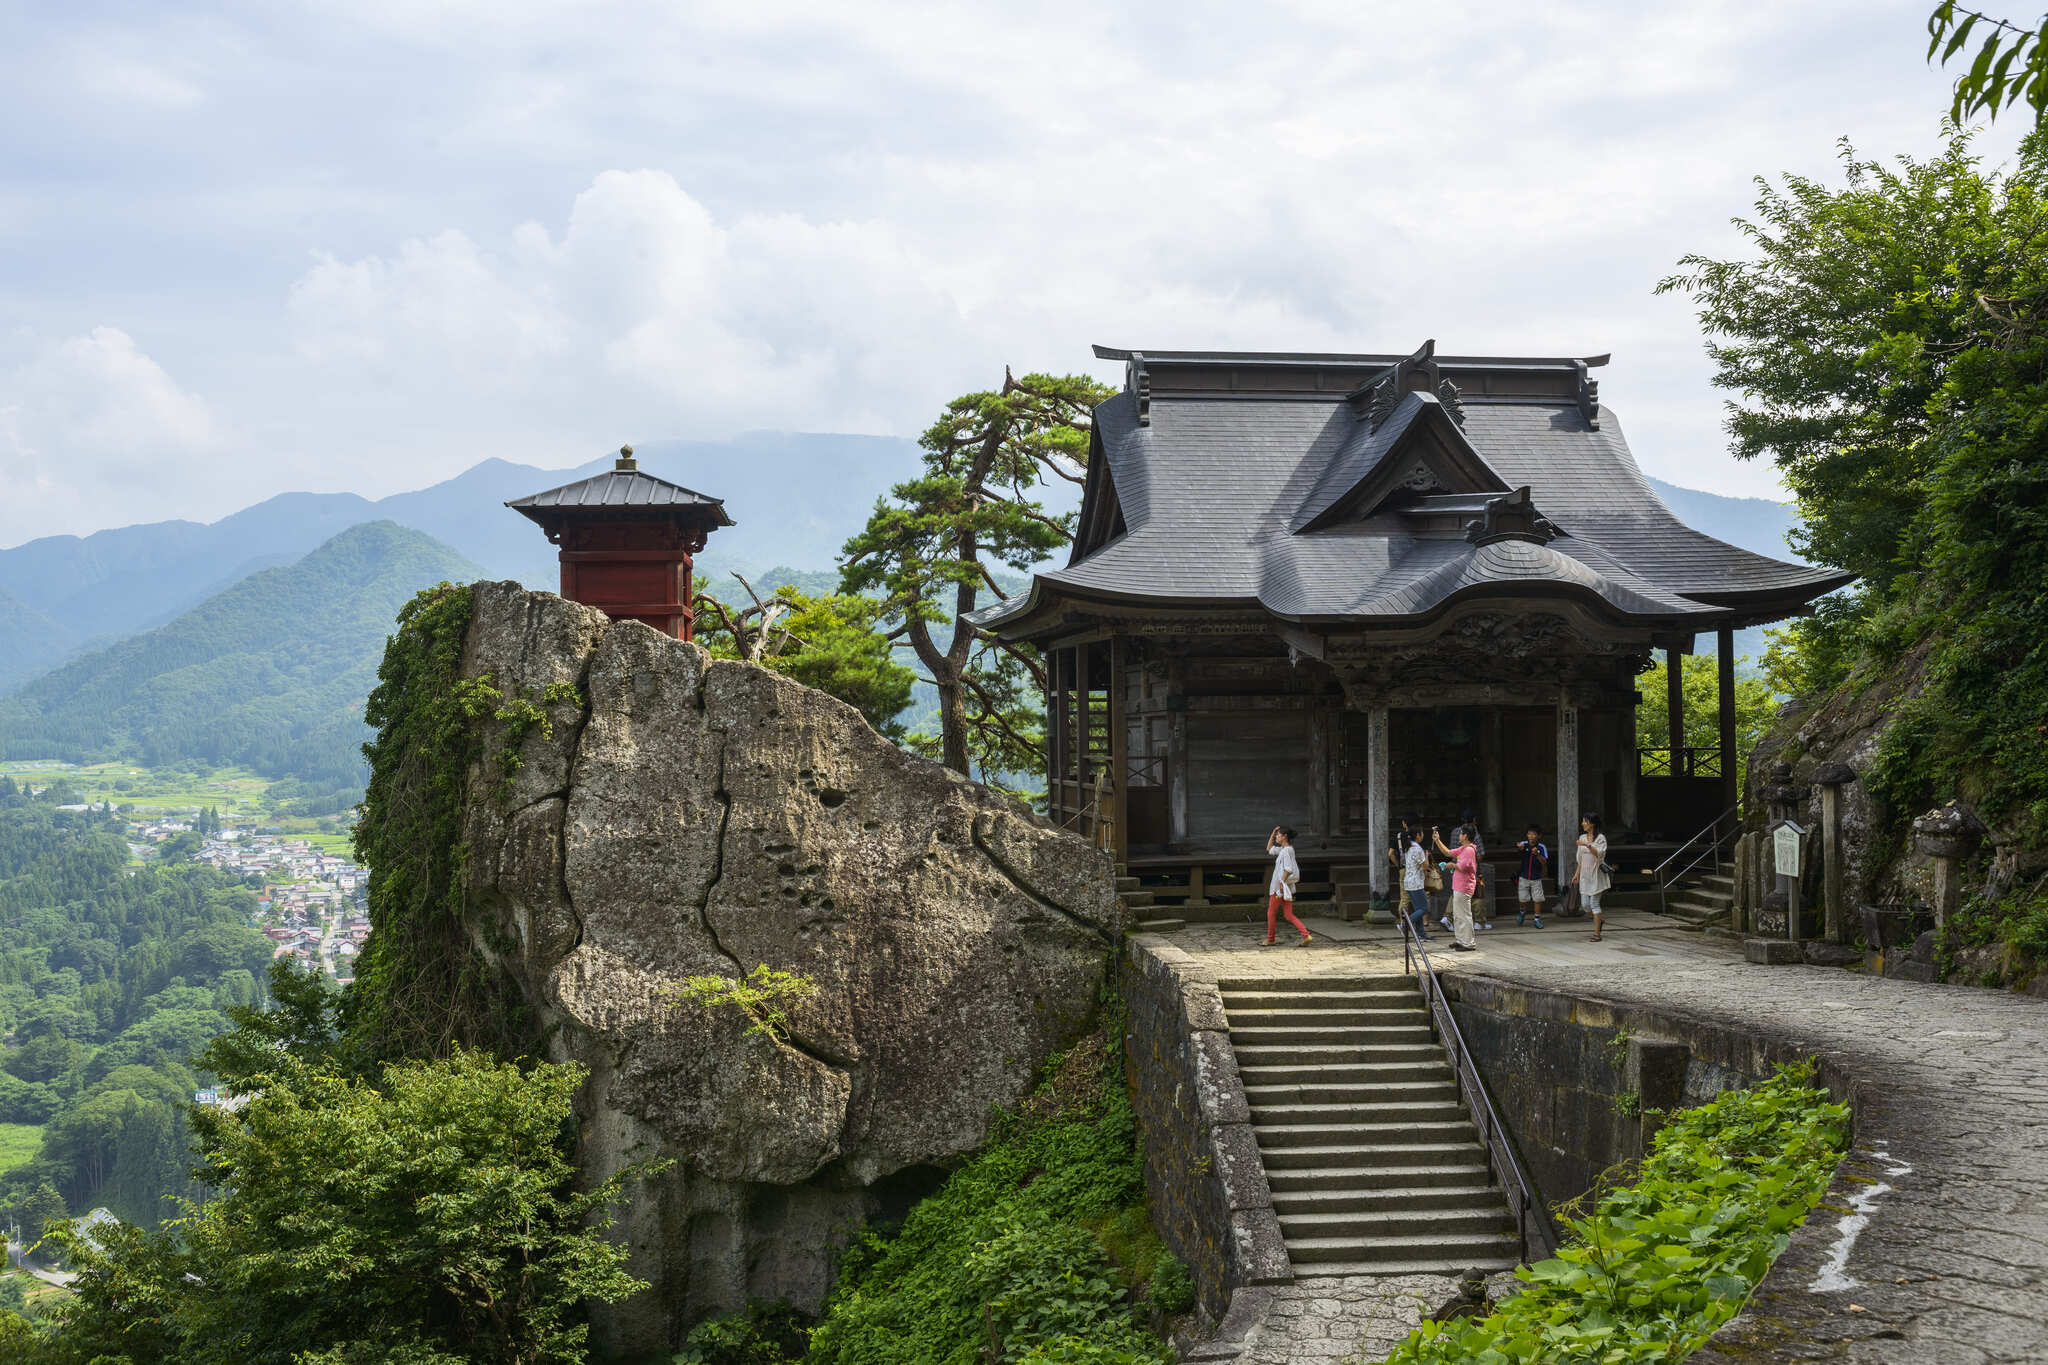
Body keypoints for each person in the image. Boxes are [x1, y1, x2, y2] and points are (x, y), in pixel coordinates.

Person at [1430, 823, 1480, 951]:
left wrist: (1450, 865)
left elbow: (1461, 866)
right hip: (1459, 886)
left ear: (1466, 836)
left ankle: (1468, 943)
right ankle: (1461, 940)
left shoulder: (1469, 850)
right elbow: (1447, 853)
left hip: (1464, 886)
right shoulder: (1464, 848)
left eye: (1461, 833)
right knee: (1458, 915)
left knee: (1464, 915)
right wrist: (1437, 840)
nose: (1460, 835)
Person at [1264, 825, 1311, 947]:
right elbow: (1269, 849)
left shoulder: (1286, 851)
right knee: (1288, 914)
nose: (1277, 837)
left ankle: (1270, 939)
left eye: (1278, 835)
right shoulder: (1286, 850)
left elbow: (1288, 869)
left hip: (1279, 888)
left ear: (1284, 836)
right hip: (1285, 888)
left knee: (1271, 912)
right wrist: (1272, 834)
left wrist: (1281, 883)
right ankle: (1306, 935)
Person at [1572, 812, 1610, 942]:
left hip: (1596, 875)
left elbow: (1599, 854)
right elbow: (1580, 859)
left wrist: (1587, 844)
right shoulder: (1582, 836)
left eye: (1585, 821)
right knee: (1585, 905)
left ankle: (1597, 934)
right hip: (1584, 876)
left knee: (1594, 904)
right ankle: (1599, 920)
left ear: (1592, 824)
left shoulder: (1600, 838)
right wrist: (1576, 874)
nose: (1582, 823)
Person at [1395, 820, 1432, 942]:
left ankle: (1421, 934)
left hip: (1409, 881)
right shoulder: (1417, 848)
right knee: (1424, 908)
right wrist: (1426, 854)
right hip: (1416, 883)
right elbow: (1425, 866)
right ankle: (1405, 924)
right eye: (1421, 833)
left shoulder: (1408, 847)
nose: (1423, 835)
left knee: (1418, 909)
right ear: (1417, 835)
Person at [1515, 824, 1548, 928]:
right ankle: (1522, 912)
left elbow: (1544, 862)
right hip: (1523, 876)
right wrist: (1519, 848)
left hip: (1536, 877)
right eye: (1529, 834)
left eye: (1534, 834)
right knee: (1523, 898)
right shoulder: (1524, 844)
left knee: (1537, 899)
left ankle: (1537, 919)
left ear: (1539, 836)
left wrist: (1537, 854)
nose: (1531, 836)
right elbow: (1517, 850)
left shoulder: (1542, 847)